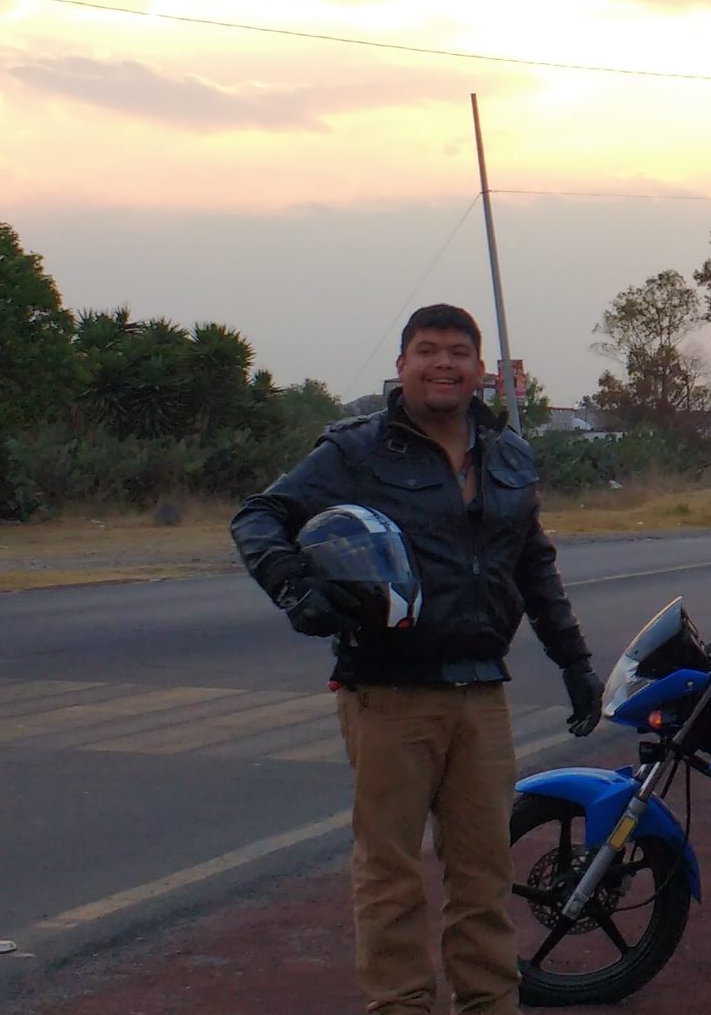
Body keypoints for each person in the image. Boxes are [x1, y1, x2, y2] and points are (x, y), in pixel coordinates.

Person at [232, 304, 602, 1015]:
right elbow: (258, 515)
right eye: (427, 351)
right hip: (388, 692)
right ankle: (400, 1005)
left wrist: (574, 662)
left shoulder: (509, 454)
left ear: (480, 370)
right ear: (401, 366)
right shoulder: (356, 449)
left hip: (482, 694)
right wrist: (295, 588)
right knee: (391, 874)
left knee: (485, 874)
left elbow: (534, 566)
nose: (443, 364)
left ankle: (490, 1003)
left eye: (458, 352)